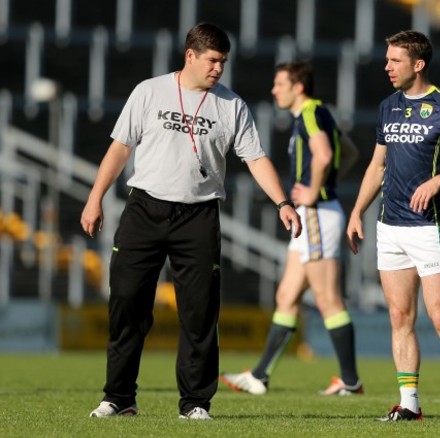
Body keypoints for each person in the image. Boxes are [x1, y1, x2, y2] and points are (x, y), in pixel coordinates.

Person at [80, 22, 301, 420]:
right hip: (144, 209)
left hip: (198, 217)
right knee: (127, 304)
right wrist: (94, 198)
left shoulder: (231, 105)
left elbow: (256, 159)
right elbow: (119, 149)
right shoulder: (149, 91)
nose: (219, 68)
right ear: (191, 56)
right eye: (213, 60)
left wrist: (282, 201)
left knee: (199, 314)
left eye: (224, 62)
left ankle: (195, 404)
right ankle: (119, 397)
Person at [346, 30, 440, 423]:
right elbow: (376, 166)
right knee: (400, 316)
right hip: (390, 226)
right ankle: (409, 403)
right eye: (387, 59)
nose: (387, 66)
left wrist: (438, 181)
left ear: (418, 65)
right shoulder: (388, 107)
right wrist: (356, 212)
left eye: (394, 60)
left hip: (431, 227)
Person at [220, 61, 363, 396]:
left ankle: (351, 380)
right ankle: (259, 376)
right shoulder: (317, 114)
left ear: (298, 87)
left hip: (315, 212)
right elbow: (351, 152)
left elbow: (325, 155)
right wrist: (325, 184)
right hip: (314, 212)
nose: (274, 90)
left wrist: (315, 190)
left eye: (279, 83)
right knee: (286, 296)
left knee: (328, 299)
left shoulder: (311, 112)